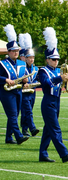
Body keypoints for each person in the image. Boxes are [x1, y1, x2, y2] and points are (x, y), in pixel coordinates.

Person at [0, 24, 29, 145]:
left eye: (17, 50)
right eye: (13, 51)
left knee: (15, 114)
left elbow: (24, 77)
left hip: (18, 91)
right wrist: (5, 79)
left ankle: (9, 137)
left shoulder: (22, 63)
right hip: (6, 92)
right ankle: (18, 136)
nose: (15, 52)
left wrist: (25, 81)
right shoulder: (2, 63)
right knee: (13, 114)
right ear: (8, 52)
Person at [39, 27, 68, 163]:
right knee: (55, 129)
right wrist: (60, 78)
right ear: (47, 59)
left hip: (56, 101)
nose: (56, 62)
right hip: (48, 102)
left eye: (57, 59)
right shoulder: (43, 70)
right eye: (53, 59)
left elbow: (61, 86)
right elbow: (46, 83)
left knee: (48, 129)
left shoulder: (58, 71)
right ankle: (64, 154)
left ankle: (43, 154)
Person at [20, 33, 40, 137]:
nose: (31, 59)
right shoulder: (22, 68)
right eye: (29, 57)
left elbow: (37, 80)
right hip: (24, 92)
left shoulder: (36, 69)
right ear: (25, 58)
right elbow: (17, 79)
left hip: (33, 92)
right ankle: (32, 128)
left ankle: (24, 129)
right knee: (28, 111)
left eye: (33, 57)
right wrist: (23, 82)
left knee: (28, 111)